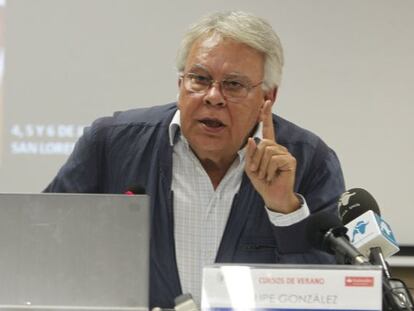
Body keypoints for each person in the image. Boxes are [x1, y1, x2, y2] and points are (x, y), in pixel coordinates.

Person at [45, 11, 345, 309]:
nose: (213, 96)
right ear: (180, 85)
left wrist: (284, 210)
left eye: (234, 84)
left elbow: (327, 295)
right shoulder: (110, 145)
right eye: (199, 79)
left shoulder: (309, 161)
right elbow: (44, 243)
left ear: (268, 97)